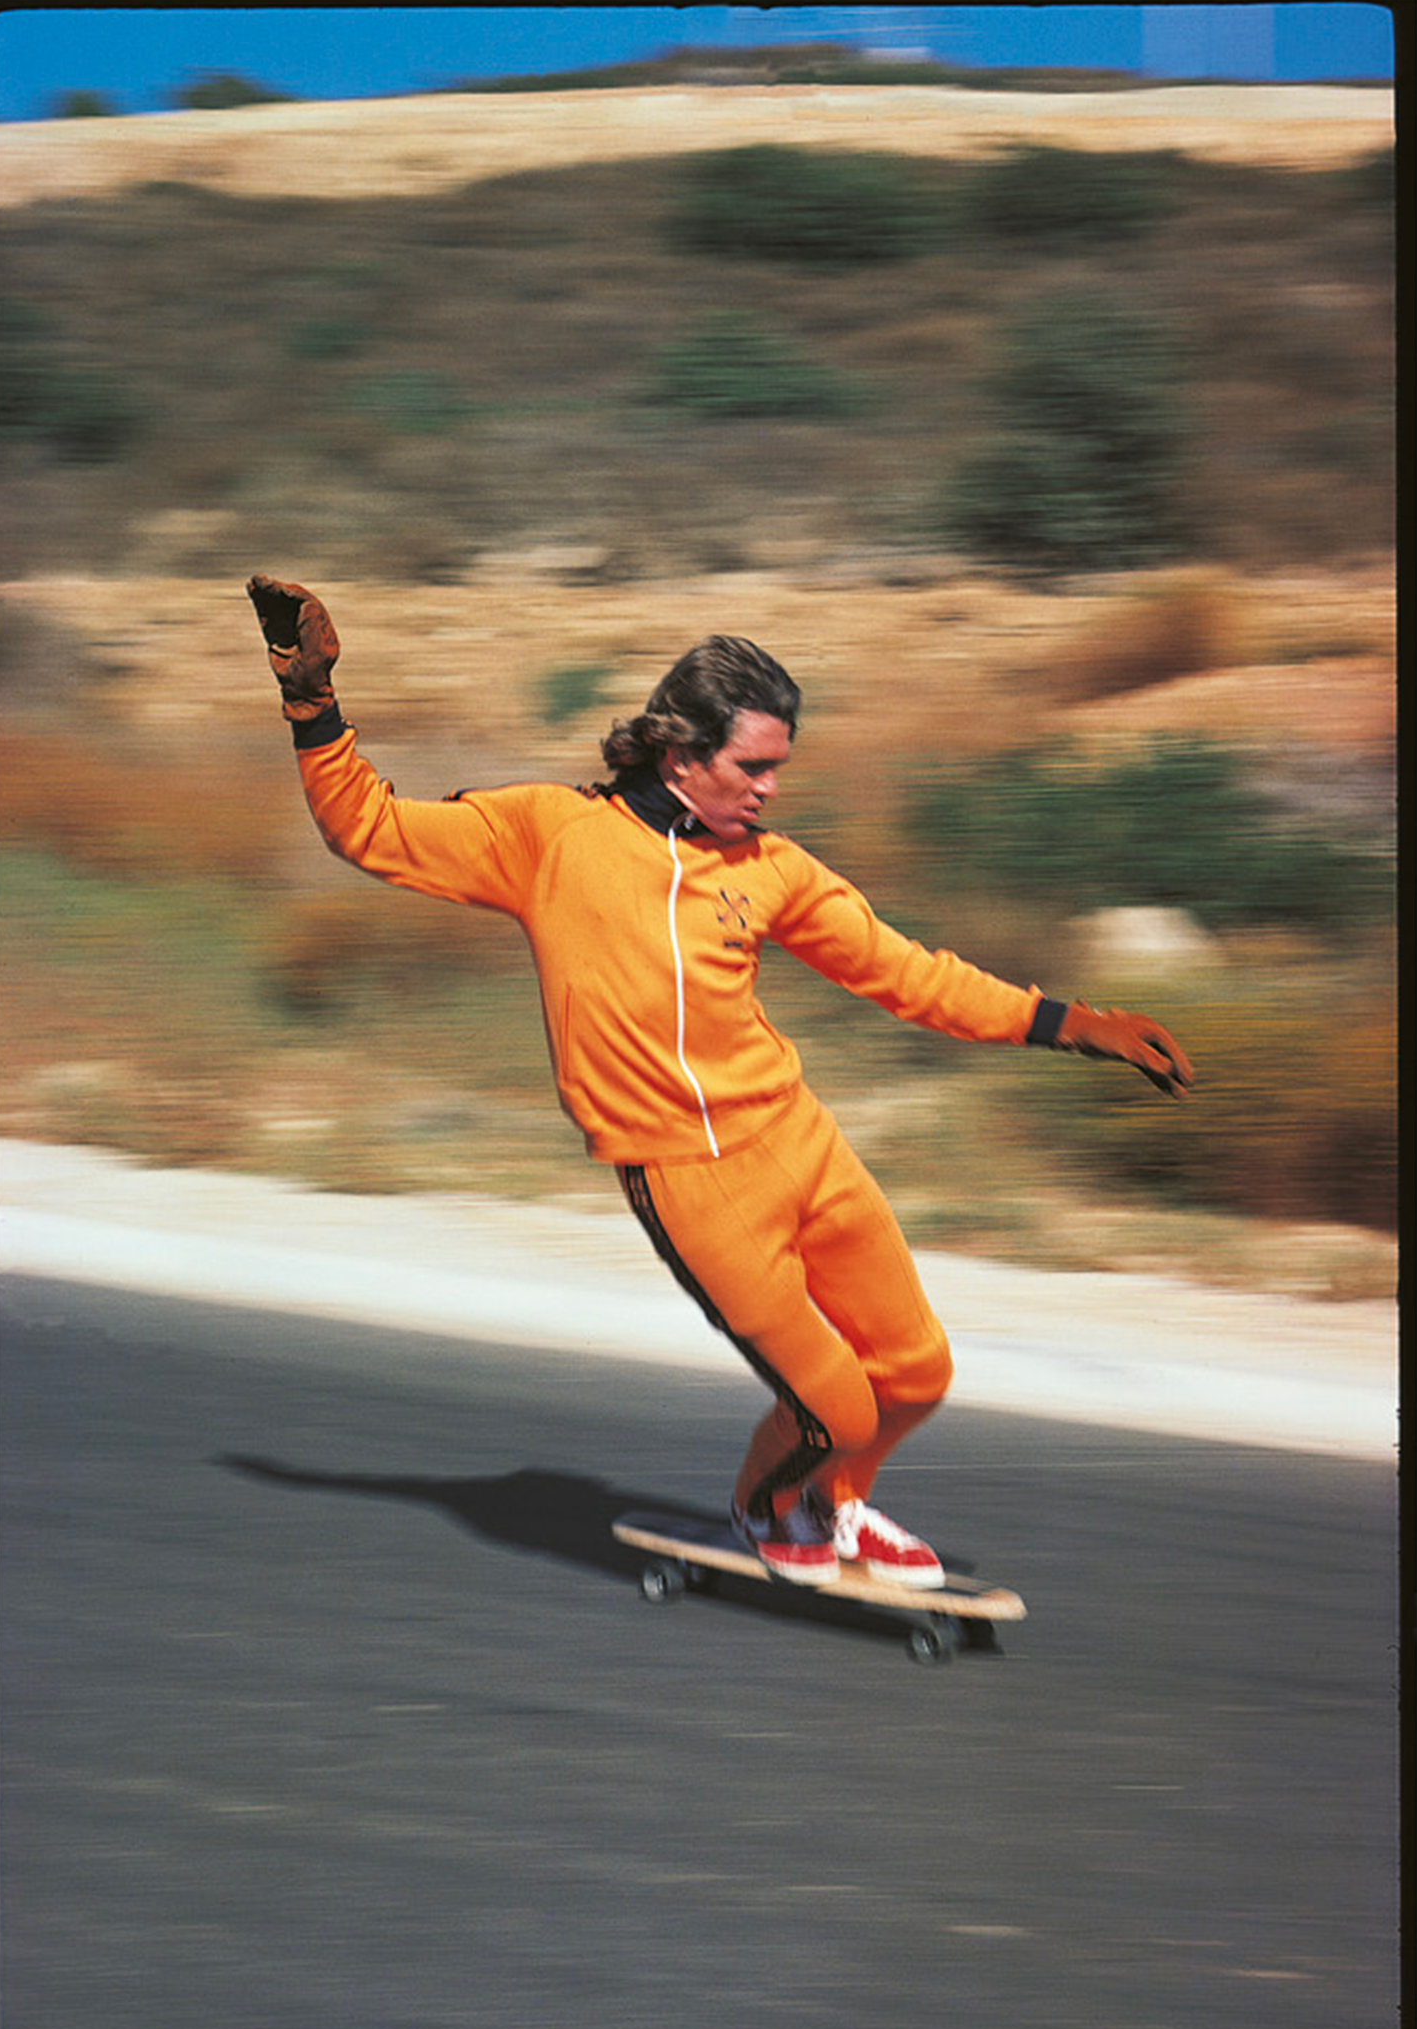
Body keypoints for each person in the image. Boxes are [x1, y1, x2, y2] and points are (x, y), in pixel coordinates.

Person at [247, 573, 1193, 1587]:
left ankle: (838, 1505)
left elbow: (908, 975)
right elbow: (369, 828)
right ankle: (765, 1505)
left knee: (916, 1372)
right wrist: (313, 702)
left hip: (798, 1142)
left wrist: (1072, 1024)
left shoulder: (772, 868)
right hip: (686, 1178)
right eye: (753, 766)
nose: (771, 789)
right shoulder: (548, 836)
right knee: (835, 1404)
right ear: (681, 751)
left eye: (779, 767)